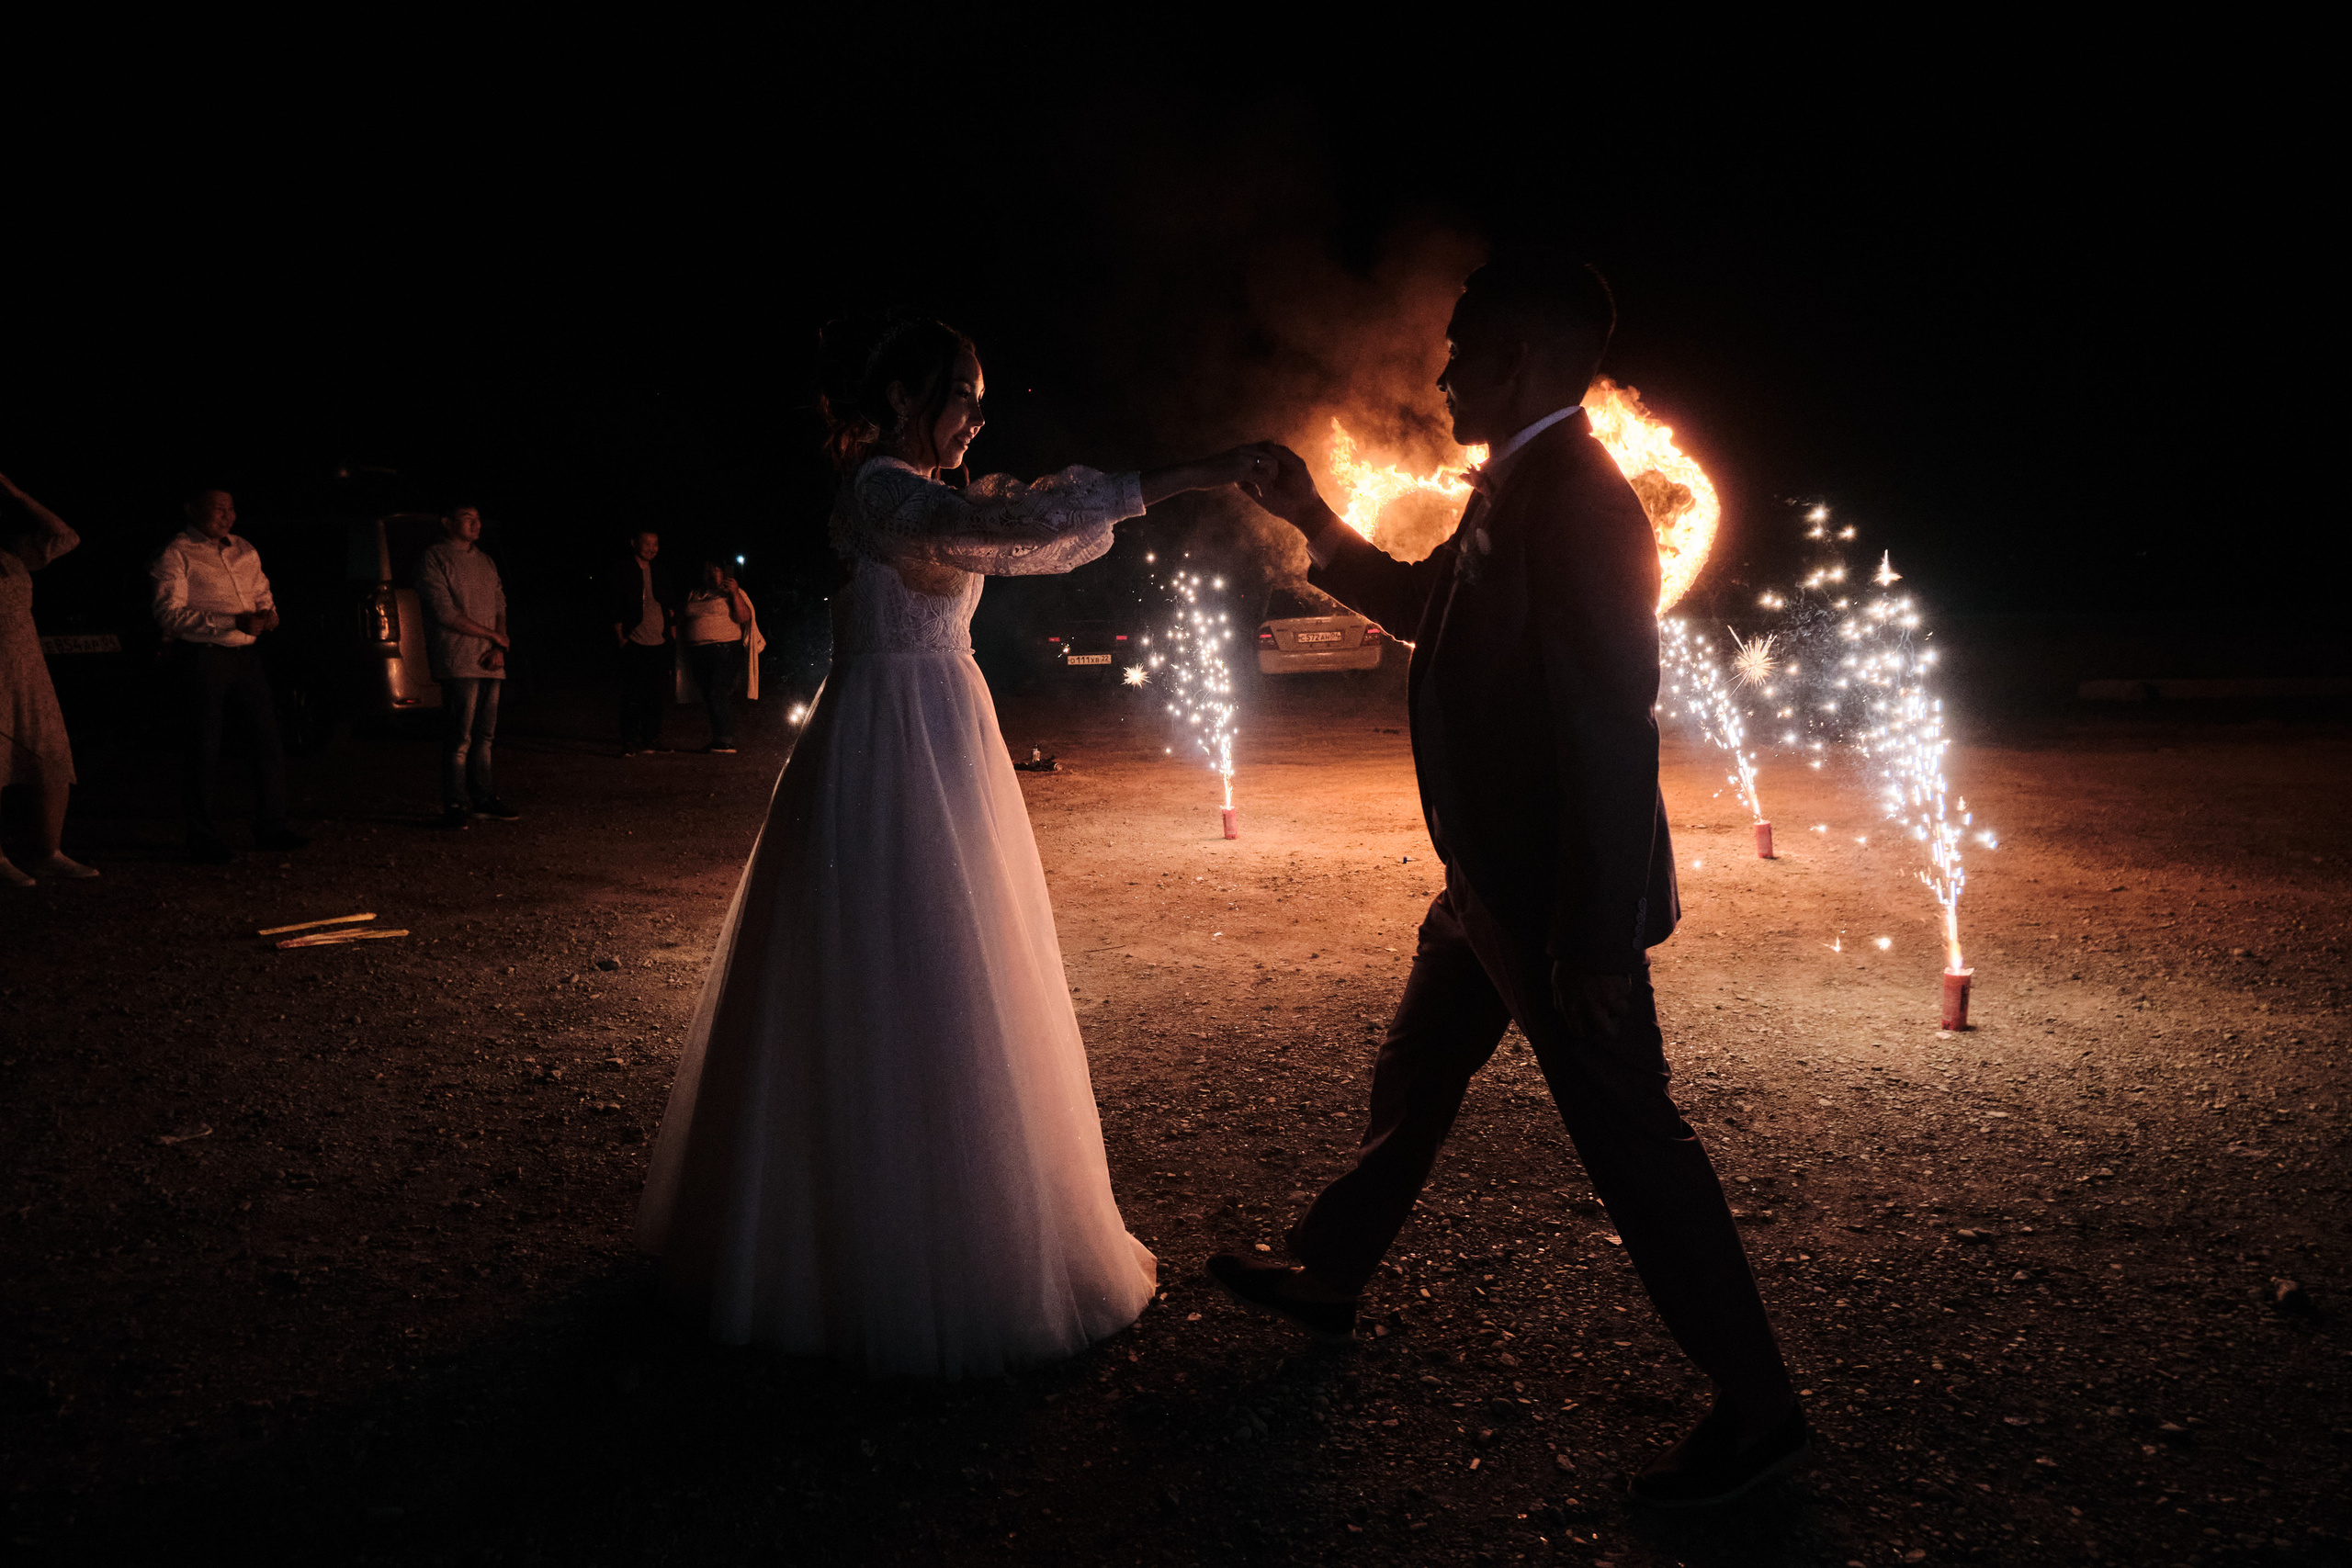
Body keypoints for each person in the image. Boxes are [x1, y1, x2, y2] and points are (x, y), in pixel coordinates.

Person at [1218, 249, 1808, 1507]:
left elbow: (1608, 724)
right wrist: (1317, 522)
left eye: (1458, 348)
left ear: (1523, 358)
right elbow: (1441, 603)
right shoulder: (1520, 485)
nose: (1437, 372)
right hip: (1489, 875)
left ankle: (1760, 1407)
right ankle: (1330, 1269)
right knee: (1419, 1067)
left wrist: (1593, 939)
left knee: (1631, 1137)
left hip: (1549, 902)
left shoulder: (1581, 500)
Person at [635, 314, 1272, 1375]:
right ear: (903, 400)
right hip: (886, 737)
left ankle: (965, 1212)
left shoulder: (941, 494)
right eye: (963, 395)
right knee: (891, 960)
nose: (977, 415)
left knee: (961, 958)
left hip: (947, 725)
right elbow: (1022, 530)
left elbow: (1040, 527)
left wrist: (1152, 488)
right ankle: (861, 1251)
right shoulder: (885, 491)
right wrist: (1194, 472)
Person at [149, 488, 306, 863]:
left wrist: (268, 614)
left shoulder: (244, 549)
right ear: (191, 509)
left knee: (267, 739)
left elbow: (261, 591)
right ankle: (202, 835)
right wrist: (231, 620)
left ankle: (272, 825)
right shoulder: (177, 553)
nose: (227, 516)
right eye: (218, 509)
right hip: (203, 657)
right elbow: (168, 613)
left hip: (246, 655)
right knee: (203, 746)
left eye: (231, 508)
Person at [0, 470, 98, 886]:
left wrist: (18, 494)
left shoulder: (10, 554)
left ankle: (49, 852)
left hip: (26, 668)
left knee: (51, 756)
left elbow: (66, 537)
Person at [414, 502, 519, 827]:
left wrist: (498, 642)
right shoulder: (434, 558)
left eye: (478, 519)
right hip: (459, 658)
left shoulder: (486, 561)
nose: (476, 524)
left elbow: (500, 602)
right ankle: (455, 802)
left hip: (491, 659)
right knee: (460, 735)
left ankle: (483, 796)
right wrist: (492, 635)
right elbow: (444, 612)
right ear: (447, 522)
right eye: (467, 518)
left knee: (485, 735)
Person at [609, 529, 674, 755]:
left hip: (659, 641)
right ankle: (629, 739)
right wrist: (621, 637)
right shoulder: (623, 569)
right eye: (647, 543)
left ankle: (651, 738)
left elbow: (668, 604)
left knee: (655, 694)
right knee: (632, 694)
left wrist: (670, 634)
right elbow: (615, 604)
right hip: (634, 640)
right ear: (634, 543)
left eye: (655, 544)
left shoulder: (660, 570)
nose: (652, 548)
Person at [679, 560, 753, 753]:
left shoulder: (732, 593)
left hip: (725, 648)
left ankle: (726, 741)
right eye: (707, 570)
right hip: (699, 651)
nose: (711, 573)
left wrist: (735, 593)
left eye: (716, 569)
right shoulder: (695, 594)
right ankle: (718, 739)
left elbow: (744, 617)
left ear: (725, 572)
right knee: (708, 694)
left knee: (717, 692)